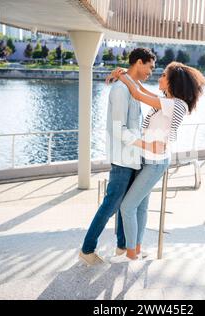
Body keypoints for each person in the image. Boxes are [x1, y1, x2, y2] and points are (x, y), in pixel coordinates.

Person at [108, 61, 205, 263]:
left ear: (172, 81)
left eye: (163, 75)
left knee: (127, 207)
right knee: (141, 207)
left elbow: (137, 95)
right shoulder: (167, 100)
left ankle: (130, 255)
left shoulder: (175, 104)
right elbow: (142, 90)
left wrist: (123, 77)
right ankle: (136, 249)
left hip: (155, 162)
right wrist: (127, 75)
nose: (159, 78)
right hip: (149, 159)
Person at [79, 48, 165, 266]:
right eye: (150, 67)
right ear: (139, 62)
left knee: (125, 205)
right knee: (110, 206)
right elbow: (119, 129)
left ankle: (121, 247)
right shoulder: (120, 90)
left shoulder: (131, 87)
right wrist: (147, 145)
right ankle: (87, 250)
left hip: (134, 157)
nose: (151, 72)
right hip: (123, 159)